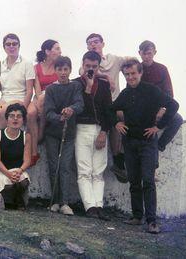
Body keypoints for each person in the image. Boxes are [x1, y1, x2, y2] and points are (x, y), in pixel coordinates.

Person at [109, 59, 178, 234]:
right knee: (134, 181)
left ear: (140, 73)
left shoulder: (152, 91)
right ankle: (137, 216)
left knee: (148, 181)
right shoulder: (124, 94)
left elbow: (173, 105)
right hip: (130, 142)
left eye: (133, 73)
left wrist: (159, 126)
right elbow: (109, 110)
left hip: (148, 143)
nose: (130, 77)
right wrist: (116, 124)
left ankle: (152, 221)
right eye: (127, 74)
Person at [0, 33, 35, 165]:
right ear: (4, 47)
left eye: (14, 44)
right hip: (5, 98)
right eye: (8, 44)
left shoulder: (27, 63)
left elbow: (29, 90)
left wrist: (23, 108)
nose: (11, 47)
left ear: (19, 45)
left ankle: (0, 152)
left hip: (19, 97)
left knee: (0, 112)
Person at [73, 51, 112, 220]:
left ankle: (98, 205)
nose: (91, 69)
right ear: (82, 64)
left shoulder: (103, 85)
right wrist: (88, 88)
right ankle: (89, 206)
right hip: (82, 129)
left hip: (99, 130)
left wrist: (104, 131)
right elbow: (80, 109)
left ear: (98, 67)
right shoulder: (75, 84)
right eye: (88, 66)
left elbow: (108, 111)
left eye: (94, 67)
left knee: (98, 171)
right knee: (84, 170)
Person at [44, 56, 84, 215]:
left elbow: (80, 104)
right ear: (55, 71)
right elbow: (48, 112)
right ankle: (54, 201)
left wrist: (71, 109)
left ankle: (65, 202)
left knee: (66, 167)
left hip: (69, 134)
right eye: (59, 69)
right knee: (54, 166)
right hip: (52, 134)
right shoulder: (51, 89)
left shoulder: (76, 86)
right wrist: (59, 117)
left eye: (65, 69)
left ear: (70, 70)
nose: (62, 72)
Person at [86, 33, 129, 176]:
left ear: (103, 44)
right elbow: (83, 72)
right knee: (115, 118)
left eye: (96, 42)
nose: (93, 45)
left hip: (115, 102)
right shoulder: (88, 60)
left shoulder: (114, 59)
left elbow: (133, 62)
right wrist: (106, 76)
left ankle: (122, 156)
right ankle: (118, 159)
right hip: (98, 105)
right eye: (90, 43)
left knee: (128, 116)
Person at [138, 40, 183, 152]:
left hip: (160, 108)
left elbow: (169, 93)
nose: (147, 56)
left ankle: (160, 146)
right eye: (144, 53)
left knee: (177, 119)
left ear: (155, 52)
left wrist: (163, 109)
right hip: (141, 110)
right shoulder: (136, 69)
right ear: (139, 53)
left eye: (149, 53)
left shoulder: (162, 69)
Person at [0, 103, 31, 209]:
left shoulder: (26, 136)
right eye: (12, 116)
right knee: (6, 184)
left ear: (23, 120)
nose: (15, 119)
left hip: (17, 170)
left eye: (19, 116)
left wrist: (19, 171)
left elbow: (27, 160)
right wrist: (8, 174)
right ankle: (11, 201)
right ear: (7, 119)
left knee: (24, 180)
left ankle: (15, 199)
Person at [27, 39, 60, 166]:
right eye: (57, 48)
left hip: (54, 98)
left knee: (43, 101)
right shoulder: (36, 68)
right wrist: (40, 101)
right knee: (32, 112)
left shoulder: (59, 67)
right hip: (40, 98)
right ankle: (34, 150)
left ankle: (40, 133)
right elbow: (37, 89)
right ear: (47, 51)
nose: (60, 51)